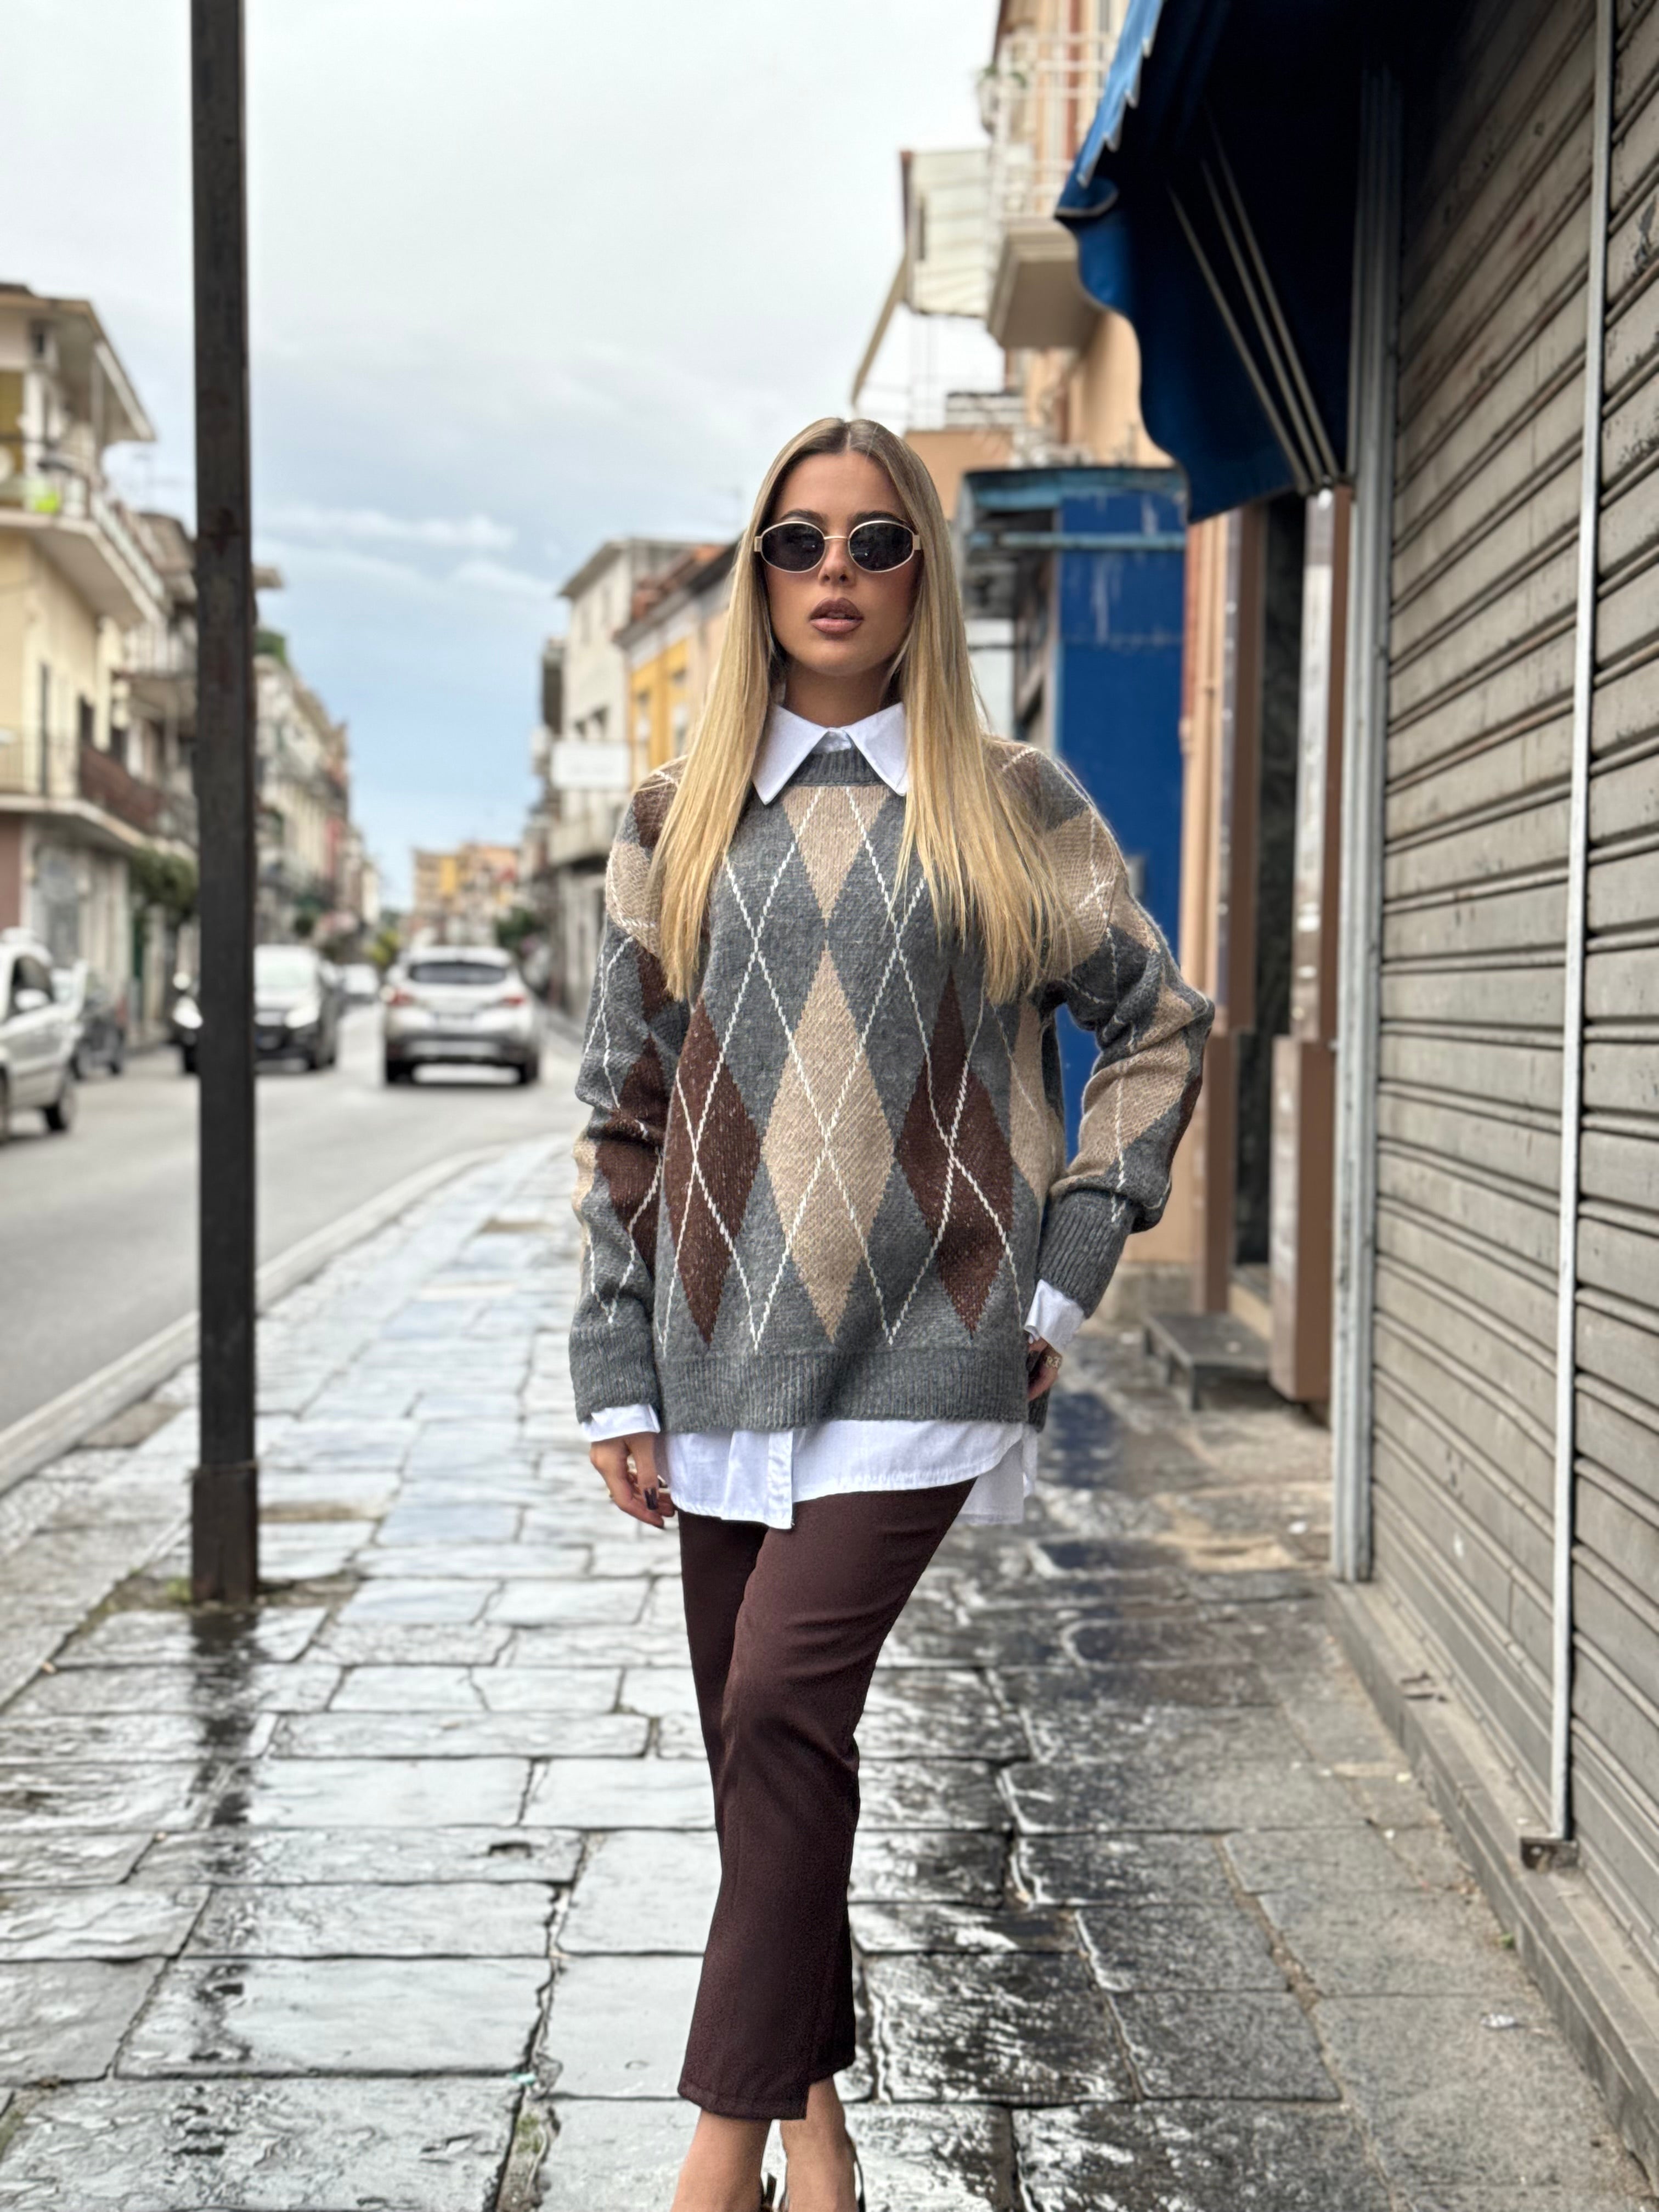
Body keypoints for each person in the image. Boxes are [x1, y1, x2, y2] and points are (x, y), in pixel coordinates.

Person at [569, 416, 1212, 2212]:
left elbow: (1156, 1027)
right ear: (760, 574)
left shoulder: (1011, 803)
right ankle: (816, 2131)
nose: (836, 573)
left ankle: (714, 2161)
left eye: (874, 541)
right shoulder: (673, 818)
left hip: (933, 1338)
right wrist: (614, 1365)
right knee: (760, 1753)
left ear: (924, 569)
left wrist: (1066, 1270)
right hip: (715, 1347)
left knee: (783, 1699)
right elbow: (623, 1107)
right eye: (799, 542)